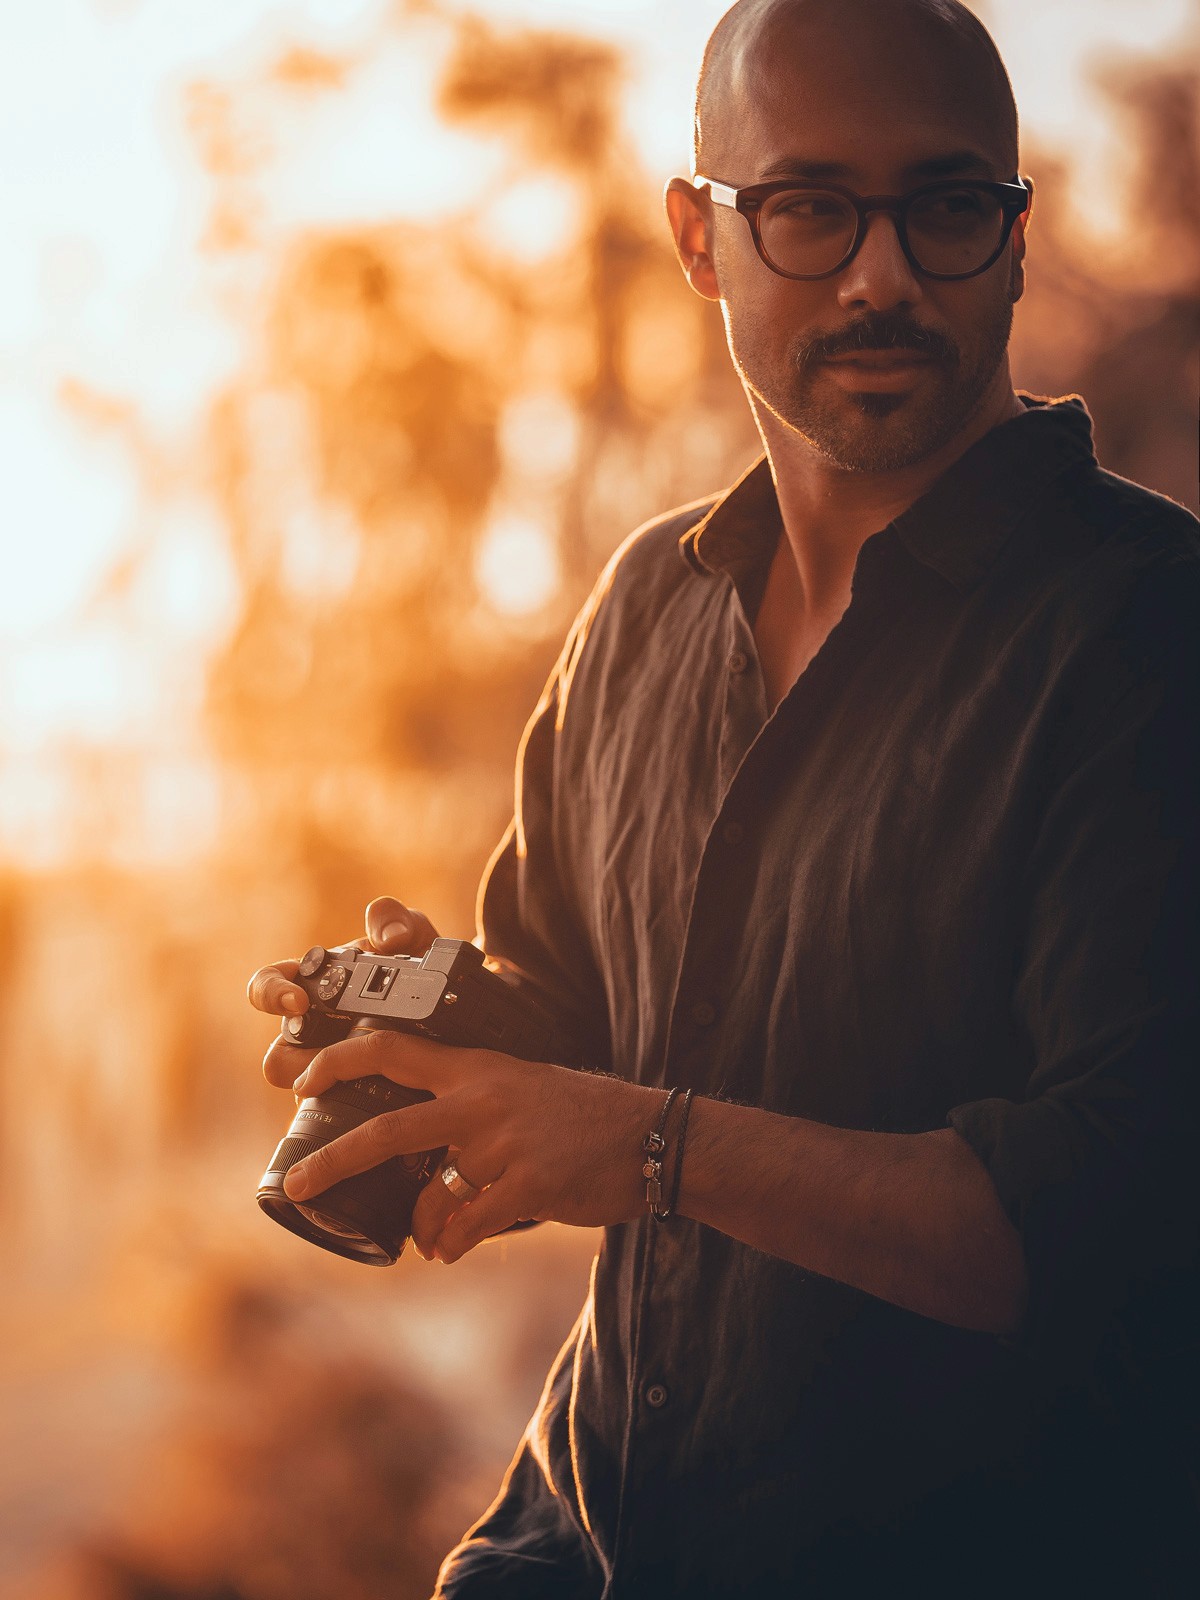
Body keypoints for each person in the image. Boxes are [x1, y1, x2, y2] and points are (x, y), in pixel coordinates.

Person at [247, 0, 1200, 1592]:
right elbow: (585, 1008)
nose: (881, 274)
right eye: (812, 207)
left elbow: (1097, 1228)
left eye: (948, 207)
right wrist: (441, 1033)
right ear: (702, 238)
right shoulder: (644, 606)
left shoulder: (1148, 637)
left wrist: (647, 1149)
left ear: (1021, 242)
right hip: (571, 1550)